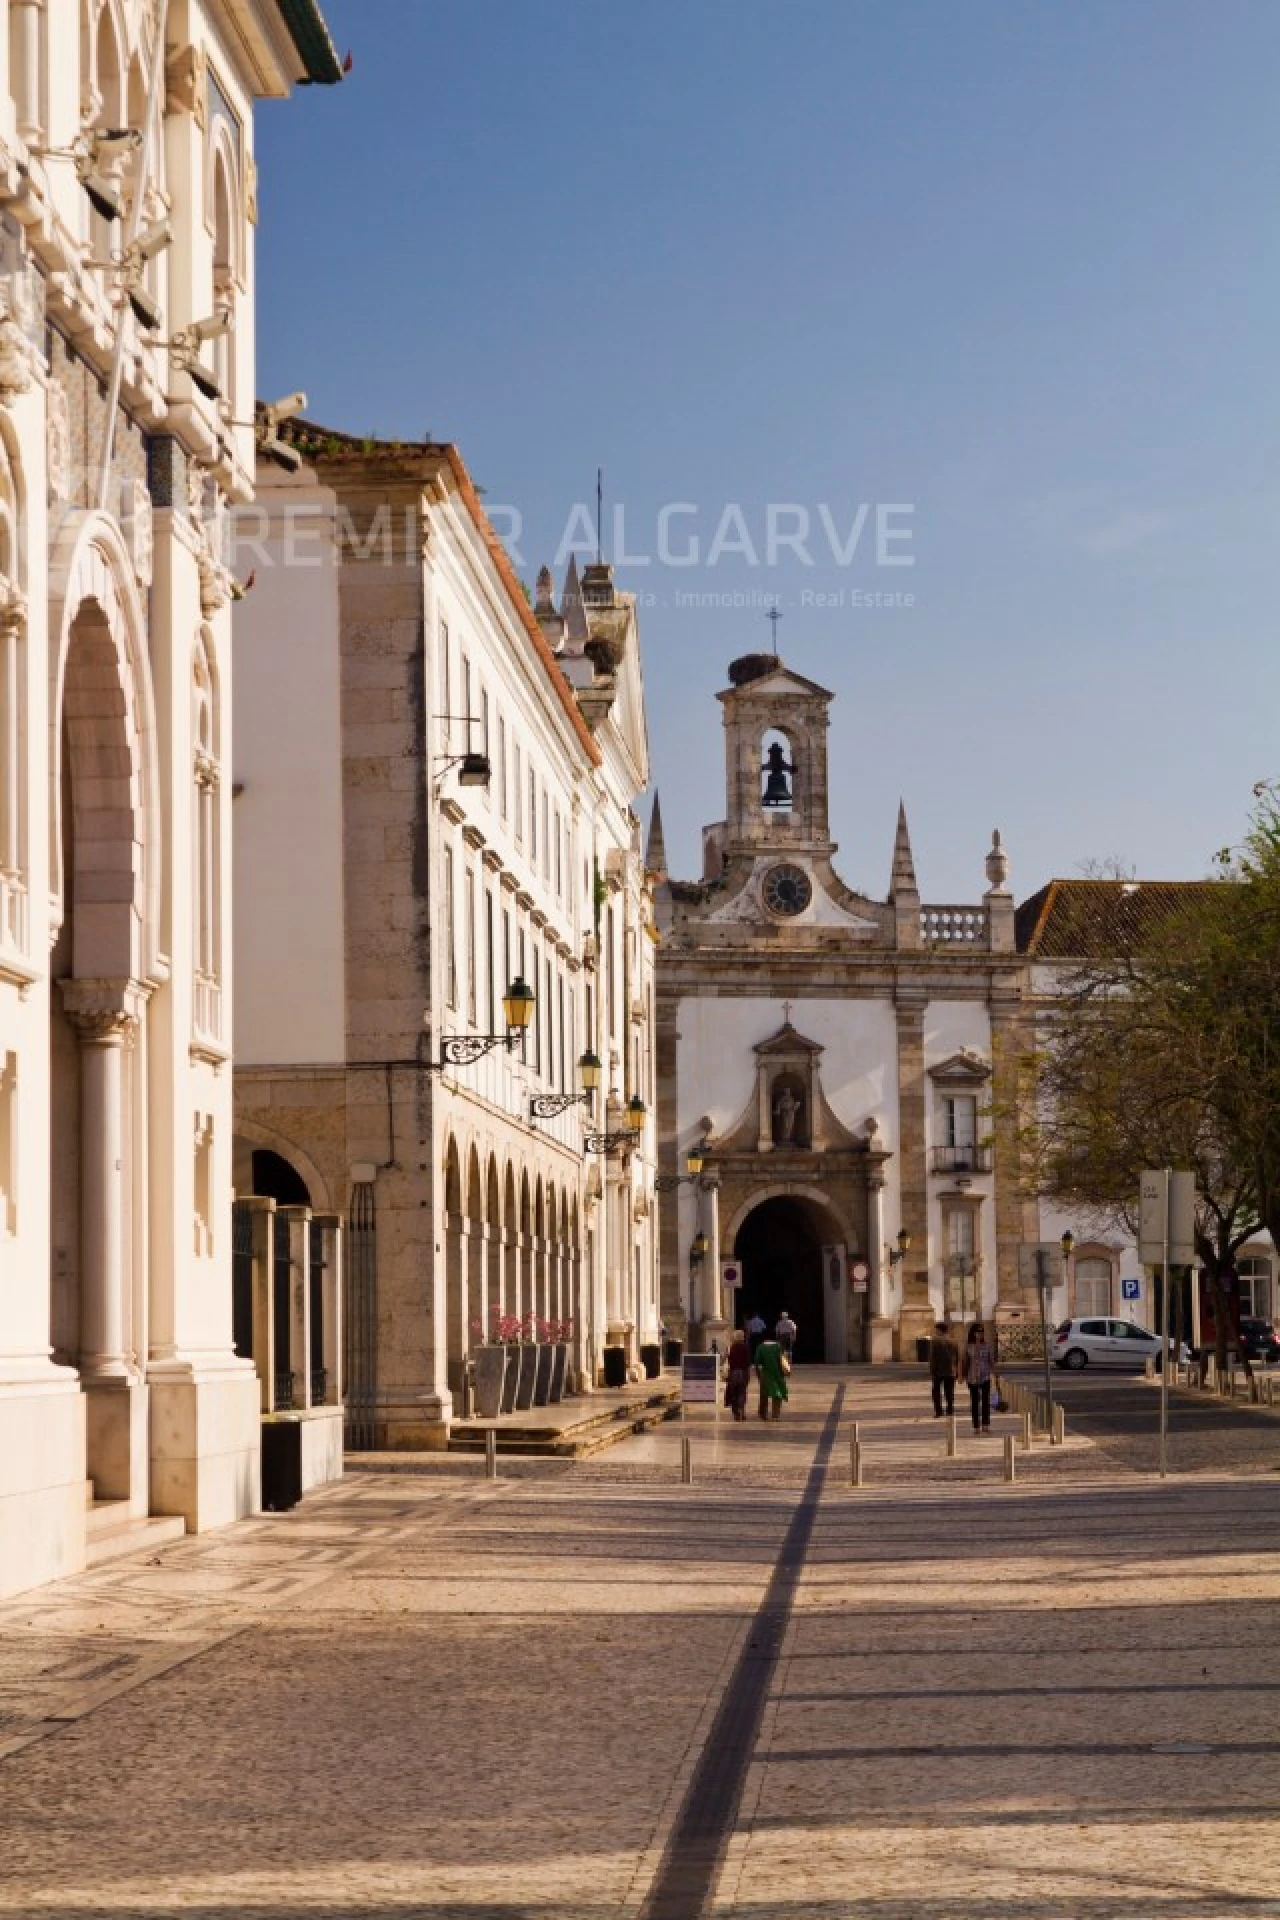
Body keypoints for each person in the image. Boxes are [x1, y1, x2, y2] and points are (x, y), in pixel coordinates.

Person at [960, 1321, 995, 1432]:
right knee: (974, 1402)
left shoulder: (987, 1345)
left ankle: (985, 1424)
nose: (979, 1334)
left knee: (985, 1401)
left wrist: (995, 1374)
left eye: (981, 1332)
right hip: (972, 1377)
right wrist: (961, 1375)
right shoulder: (968, 1346)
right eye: (977, 1332)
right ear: (973, 1333)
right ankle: (976, 1426)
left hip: (985, 1376)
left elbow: (991, 1361)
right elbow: (963, 1360)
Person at [755, 1336, 790, 1420]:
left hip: (765, 1374)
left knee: (764, 1394)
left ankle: (763, 1414)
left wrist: (758, 1374)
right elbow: (783, 1360)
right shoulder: (778, 1347)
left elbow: (757, 1361)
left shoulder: (760, 1347)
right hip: (778, 1374)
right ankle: (775, 1415)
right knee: (777, 1395)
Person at [928, 1320, 957, 1417]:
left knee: (936, 1392)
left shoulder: (935, 1341)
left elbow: (932, 1357)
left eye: (936, 1330)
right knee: (949, 1392)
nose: (935, 1332)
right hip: (951, 1370)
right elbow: (957, 1356)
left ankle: (939, 1411)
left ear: (940, 1330)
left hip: (938, 1370)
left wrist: (931, 1369)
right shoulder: (953, 1341)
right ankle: (950, 1410)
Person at [724, 1331, 751, 1421]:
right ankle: (742, 1411)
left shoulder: (731, 1348)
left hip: (733, 1373)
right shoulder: (745, 1348)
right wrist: (748, 1374)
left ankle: (736, 1413)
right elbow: (747, 1362)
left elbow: (728, 1360)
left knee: (733, 1393)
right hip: (743, 1372)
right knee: (742, 1392)